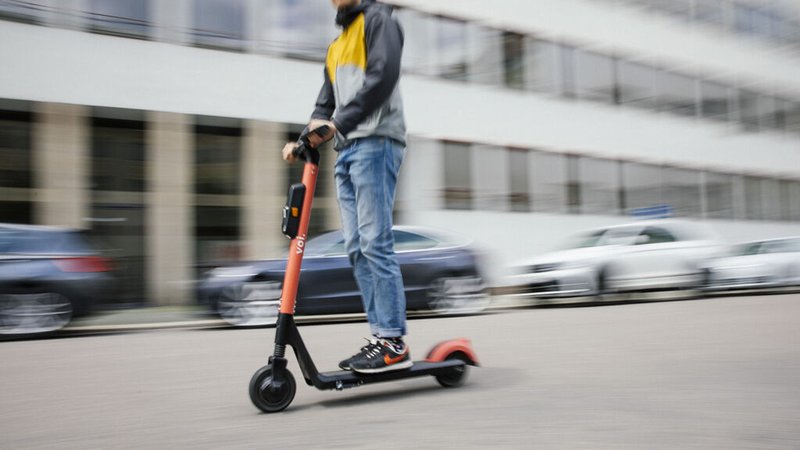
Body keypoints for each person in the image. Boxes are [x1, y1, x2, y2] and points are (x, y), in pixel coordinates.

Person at [281, 0, 409, 374]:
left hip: (377, 141)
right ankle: (381, 338)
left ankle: (392, 340)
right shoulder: (336, 46)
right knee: (355, 245)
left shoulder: (379, 20)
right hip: (347, 148)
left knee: (374, 240)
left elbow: (382, 77)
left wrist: (338, 123)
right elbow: (324, 103)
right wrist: (303, 139)